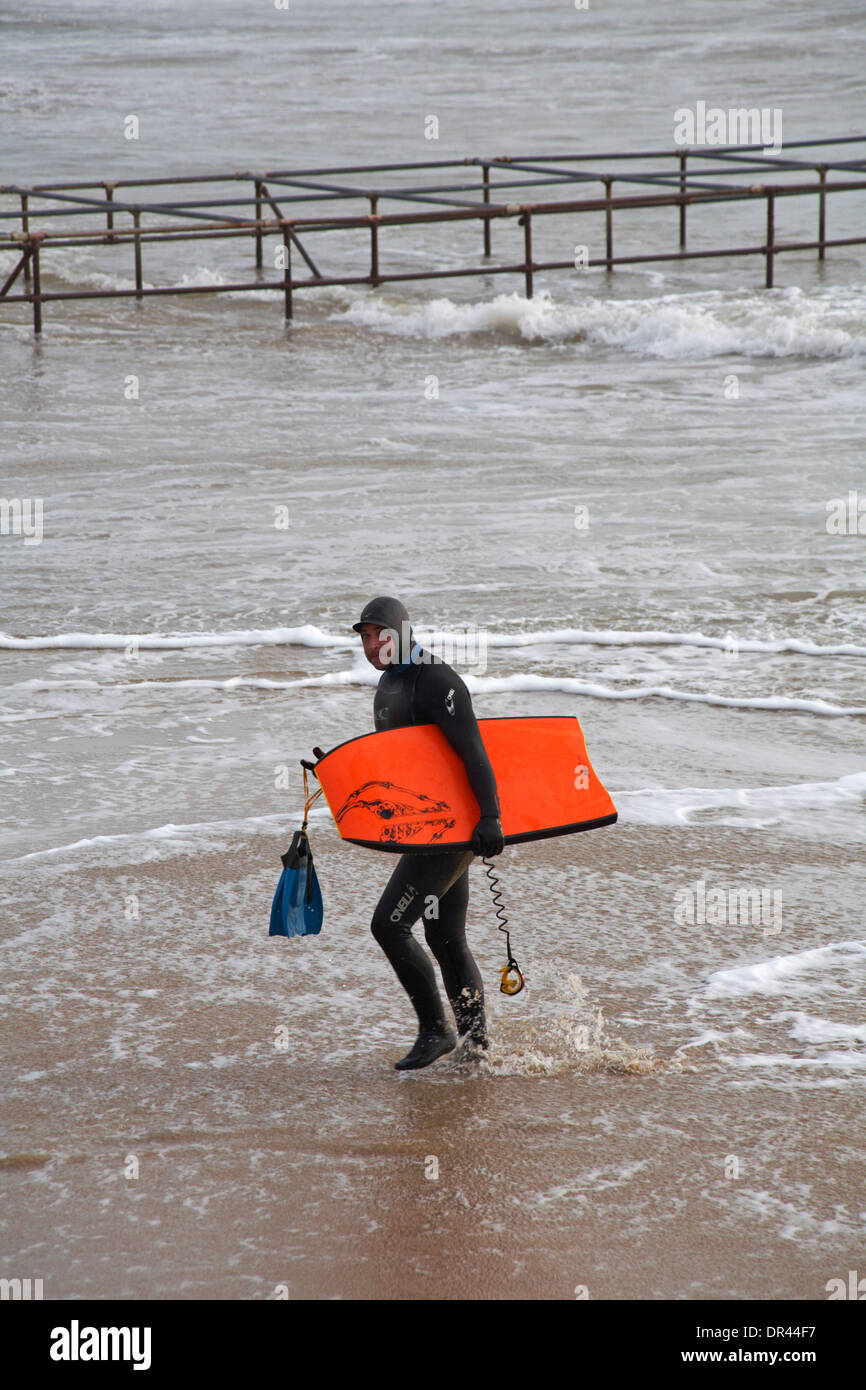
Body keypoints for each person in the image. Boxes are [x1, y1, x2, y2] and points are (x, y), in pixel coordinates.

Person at [352, 596, 503, 1071]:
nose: (372, 644)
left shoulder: (436, 680)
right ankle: (476, 1049)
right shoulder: (388, 685)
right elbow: (397, 763)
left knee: (389, 925)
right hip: (427, 828)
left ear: (401, 632)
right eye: (365, 637)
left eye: (380, 634)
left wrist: (490, 817)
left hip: (454, 829)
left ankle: (436, 1030)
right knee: (445, 939)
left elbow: (474, 751)